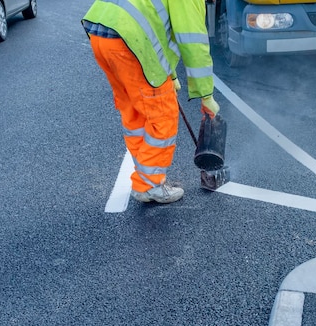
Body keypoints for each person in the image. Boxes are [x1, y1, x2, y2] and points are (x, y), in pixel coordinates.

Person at [82, 0, 220, 204]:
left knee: (134, 109)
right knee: (162, 115)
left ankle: (145, 177)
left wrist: (170, 76)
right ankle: (149, 186)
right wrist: (206, 96)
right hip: (129, 40)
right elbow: (192, 43)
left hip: (101, 33)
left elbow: (155, 24)